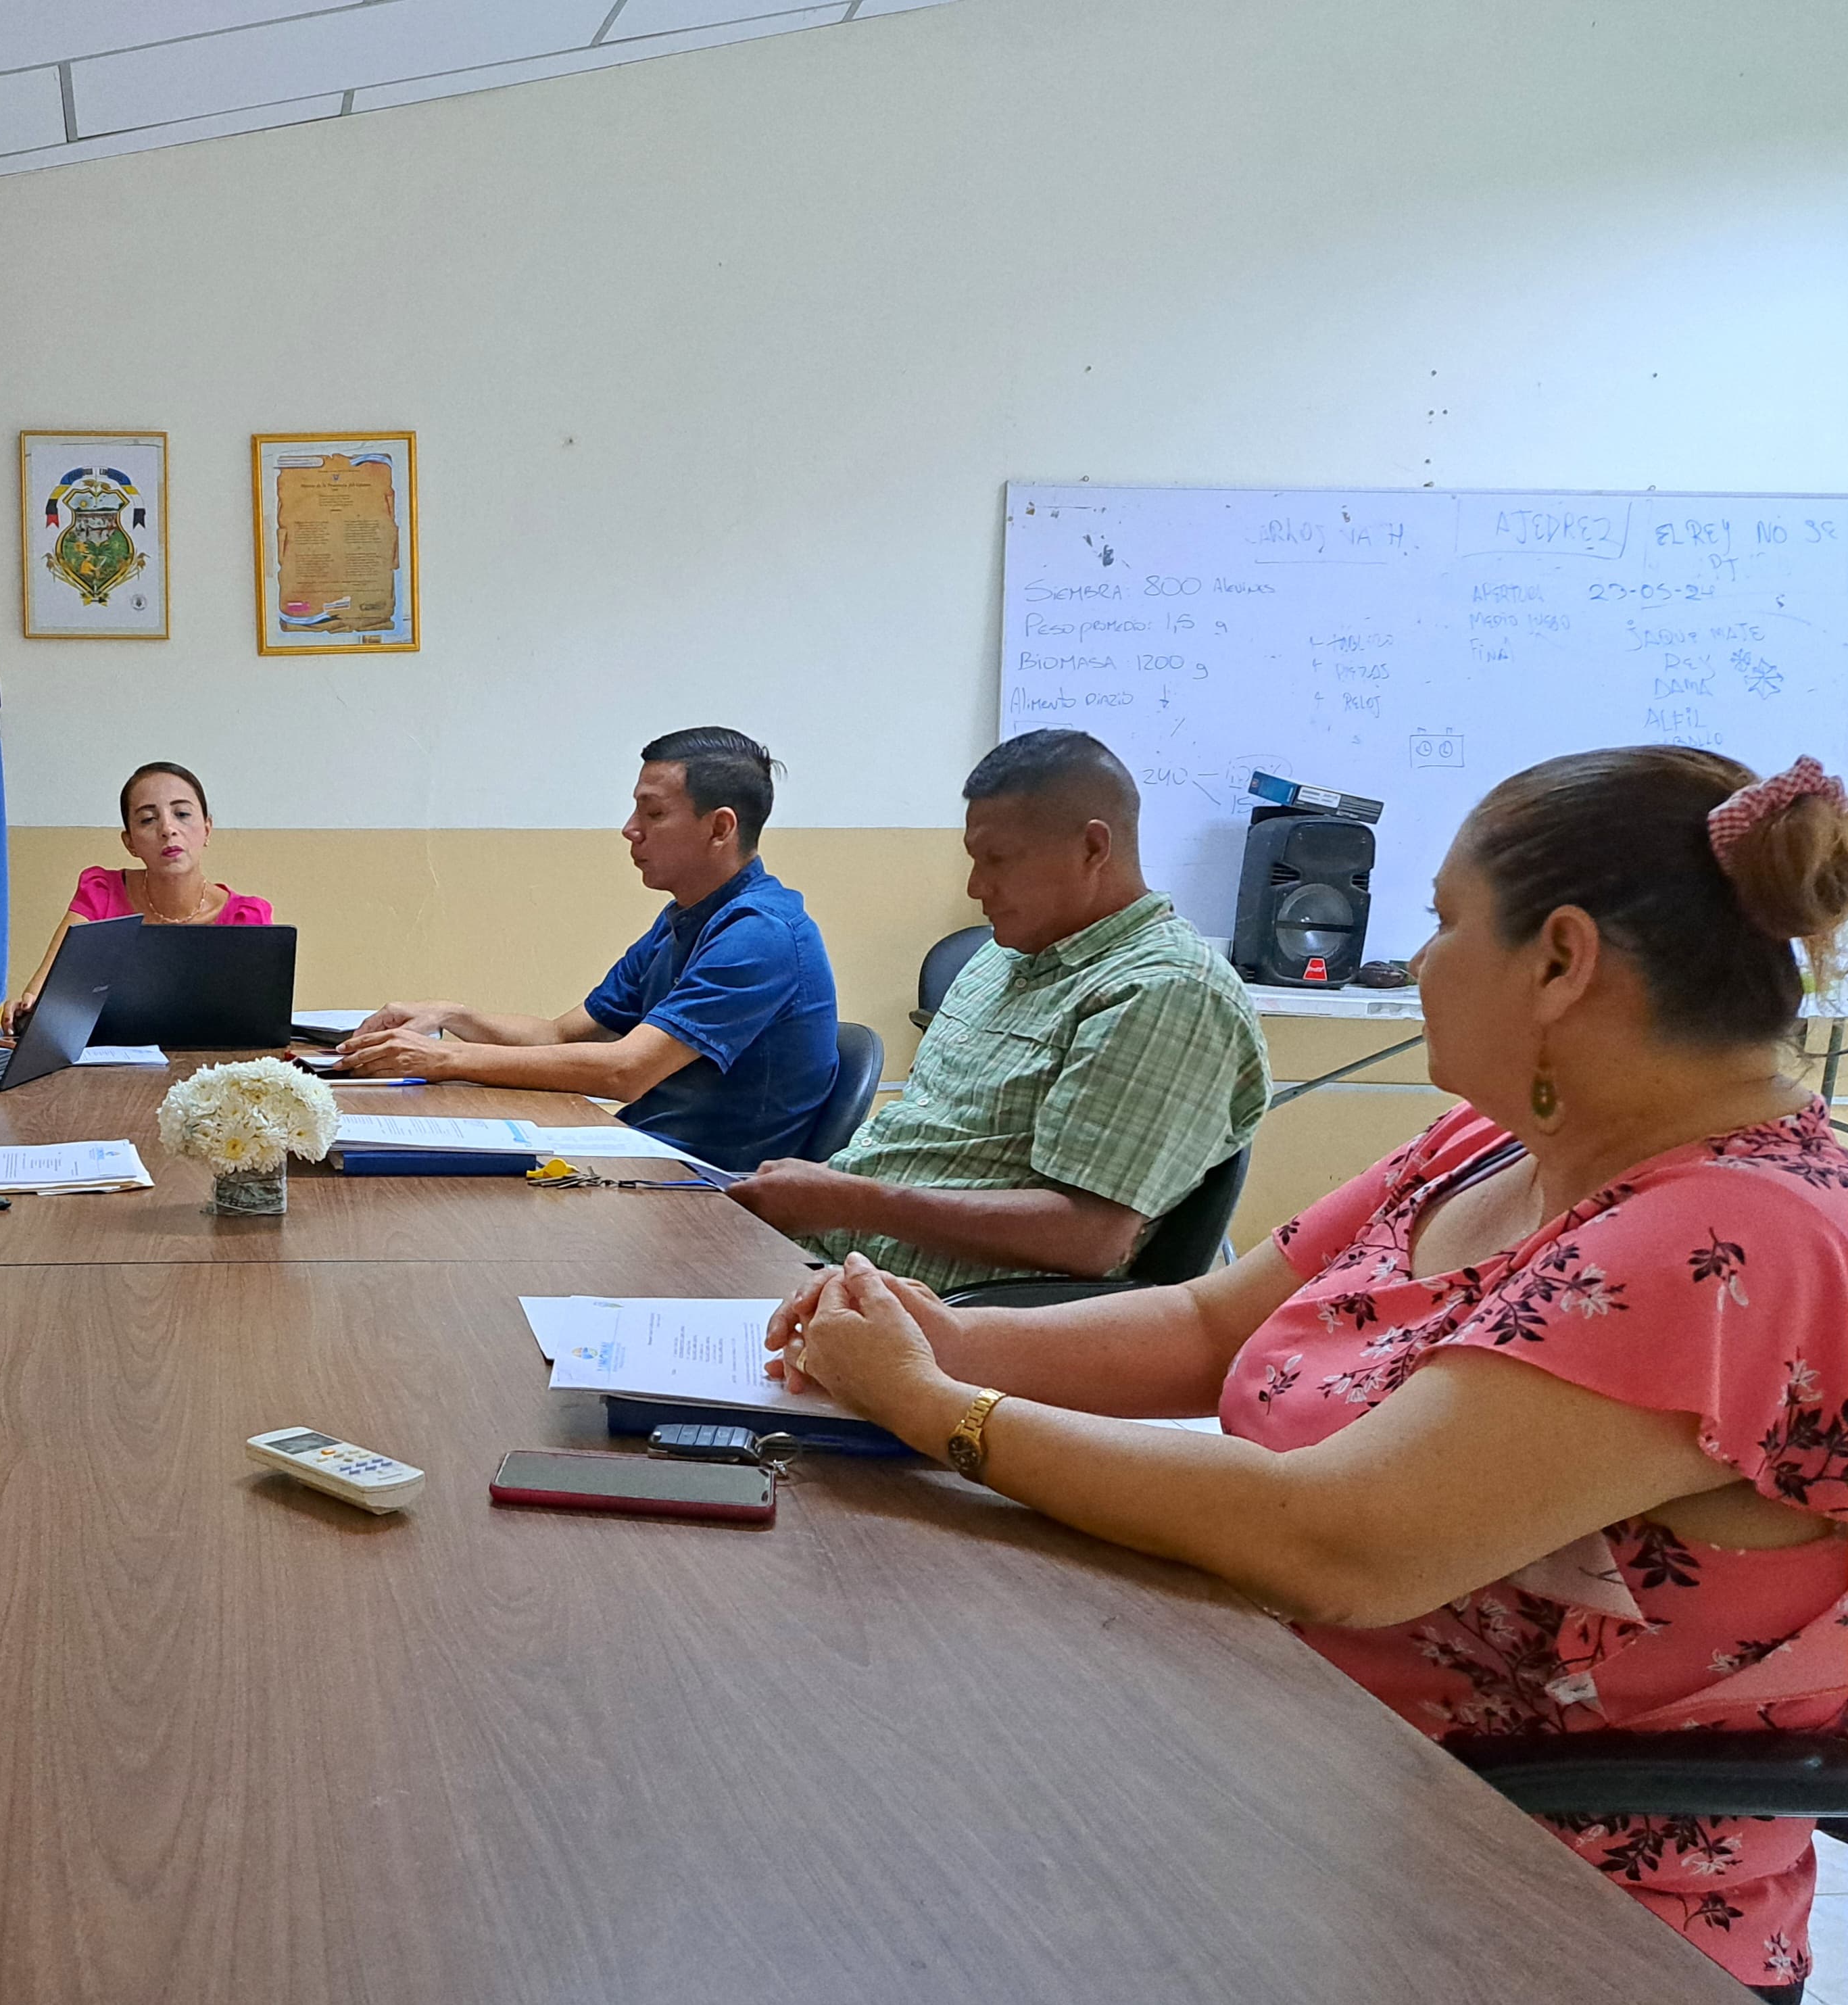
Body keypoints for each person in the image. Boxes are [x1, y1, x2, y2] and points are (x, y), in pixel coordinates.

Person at [763, 747, 1848, 2002]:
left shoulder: (1730, 1240)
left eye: (1443, 922)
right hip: (1290, 1779)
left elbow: (1338, 1542)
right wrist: (939, 1339)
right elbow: (1202, 1327)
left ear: (1559, 961)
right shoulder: (1488, 1139)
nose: (1418, 961)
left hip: (1518, 1906)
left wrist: (938, 1409)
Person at [729, 728, 1266, 1291]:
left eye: (998, 860)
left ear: (1093, 848)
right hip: (829, 1264)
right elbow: (931, 1145)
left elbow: (1090, 1237)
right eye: (974, 859)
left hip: (928, 1312)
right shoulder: (1001, 955)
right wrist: (823, 1191)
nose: (976, 886)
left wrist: (850, 1201)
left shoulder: (1164, 992)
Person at [340, 727, 839, 1172]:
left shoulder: (760, 934)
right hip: (640, 1155)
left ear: (720, 828)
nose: (630, 829)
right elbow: (559, 1034)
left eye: (654, 813)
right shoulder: (686, 919)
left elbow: (626, 1071)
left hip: (704, 1188)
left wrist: (443, 1059)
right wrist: (452, 1016)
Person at [3, 760, 272, 1029]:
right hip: (111, 1055)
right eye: (148, 819)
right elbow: (43, 994)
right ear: (130, 842)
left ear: (207, 829)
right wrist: (25, 1011)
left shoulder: (246, 917)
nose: (167, 829)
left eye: (182, 814)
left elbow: (258, 1022)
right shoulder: (101, 893)